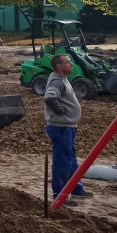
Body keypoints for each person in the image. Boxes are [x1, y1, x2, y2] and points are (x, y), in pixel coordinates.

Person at [44, 53, 92, 206]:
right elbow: (50, 97)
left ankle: (76, 189)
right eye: (68, 62)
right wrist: (61, 112)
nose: (71, 64)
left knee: (70, 160)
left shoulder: (62, 79)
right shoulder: (57, 81)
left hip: (67, 127)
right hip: (61, 127)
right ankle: (61, 196)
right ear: (59, 66)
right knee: (62, 162)